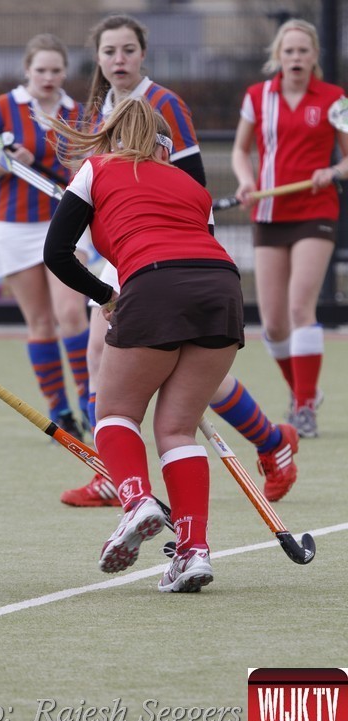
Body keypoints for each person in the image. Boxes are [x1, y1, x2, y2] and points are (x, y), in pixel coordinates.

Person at [60, 13, 298, 508]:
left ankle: (269, 441)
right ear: (97, 59)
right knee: (113, 355)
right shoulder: (99, 107)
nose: (119, 60)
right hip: (123, 244)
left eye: (128, 50)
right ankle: (123, 471)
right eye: (109, 52)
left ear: (143, 54)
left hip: (159, 242)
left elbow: (189, 181)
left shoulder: (163, 103)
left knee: (166, 363)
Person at [44, 96, 245, 592]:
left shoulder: (95, 169)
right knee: (177, 431)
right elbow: (198, 249)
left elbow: (57, 253)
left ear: (113, 139)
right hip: (223, 288)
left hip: (152, 285)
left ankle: (136, 500)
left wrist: (106, 296)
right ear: (165, 149)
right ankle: (193, 552)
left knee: (115, 413)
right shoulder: (193, 187)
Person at [232, 18, 348, 438]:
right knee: (275, 324)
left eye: (303, 51)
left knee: (301, 309)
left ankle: (303, 408)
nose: (296, 57)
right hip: (268, 211)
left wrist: (333, 170)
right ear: (278, 56)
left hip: (316, 210)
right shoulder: (257, 96)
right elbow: (240, 150)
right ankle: (304, 391)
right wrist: (247, 181)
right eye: (289, 51)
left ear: (314, 56)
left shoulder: (335, 99)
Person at [0, 33, 91, 439]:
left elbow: (89, 164)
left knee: (71, 313)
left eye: (55, 70)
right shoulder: (1, 109)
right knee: (40, 321)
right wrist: (7, 162)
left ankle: (92, 402)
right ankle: (60, 410)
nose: (48, 77)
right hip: (14, 224)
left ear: (65, 72)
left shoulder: (77, 113)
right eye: (40, 70)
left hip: (65, 222)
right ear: (27, 70)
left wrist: (76, 161)